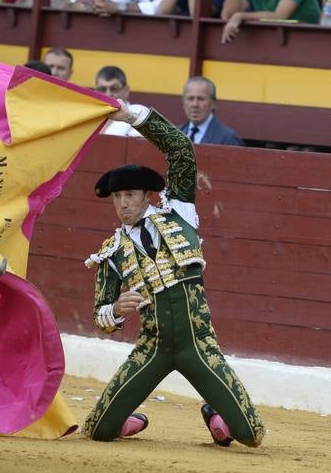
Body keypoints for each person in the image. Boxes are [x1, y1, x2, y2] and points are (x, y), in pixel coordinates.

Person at [82, 100, 266, 448]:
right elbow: (100, 318)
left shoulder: (177, 210)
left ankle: (213, 410)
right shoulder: (112, 251)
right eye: (117, 197)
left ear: (147, 197)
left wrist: (133, 115)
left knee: (251, 436)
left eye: (130, 195)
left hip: (199, 345)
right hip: (152, 348)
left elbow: (180, 149)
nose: (123, 204)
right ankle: (131, 419)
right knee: (98, 430)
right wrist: (116, 310)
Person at [181, 75, 244, 144]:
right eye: (190, 98)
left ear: (212, 103)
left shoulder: (228, 139)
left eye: (201, 99)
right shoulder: (174, 134)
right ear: (183, 103)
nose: (195, 104)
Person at [96, 65, 143, 136]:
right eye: (102, 89)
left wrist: (129, 117)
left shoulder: (139, 111)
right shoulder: (89, 116)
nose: (108, 94)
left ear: (126, 90)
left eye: (114, 88)